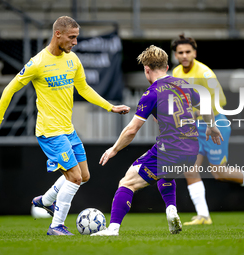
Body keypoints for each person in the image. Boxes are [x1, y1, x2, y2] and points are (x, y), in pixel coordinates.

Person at [0, 16, 130, 236]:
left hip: (67, 129)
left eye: (77, 37)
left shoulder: (73, 60)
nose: (75, 42)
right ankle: (56, 226)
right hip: (49, 131)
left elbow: (84, 89)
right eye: (72, 37)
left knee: (85, 175)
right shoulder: (38, 63)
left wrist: (110, 107)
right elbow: (10, 89)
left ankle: (46, 200)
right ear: (57, 34)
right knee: (74, 177)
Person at [91, 45, 223, 236]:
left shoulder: (151, 93)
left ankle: (112, 229)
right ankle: (171, 210)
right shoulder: (184, 85)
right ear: (167, 67)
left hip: (170, 149)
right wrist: (211, 126)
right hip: (192, 150)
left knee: (127, 182)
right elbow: (205, 104)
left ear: (146, 69)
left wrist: (114, 149)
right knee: (166, 175)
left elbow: (131, 130)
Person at [170, 34, 244, 225]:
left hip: (214, 125)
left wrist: (196, 112)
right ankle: (204, 216)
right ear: (175, 54)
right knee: (189, 169)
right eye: (180, 52)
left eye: (187, 52)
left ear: (195, 53)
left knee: (219, 173)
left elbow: (220, 101)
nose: (184, 55)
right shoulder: (176, 73)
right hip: (193, 129)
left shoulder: (205, 73)